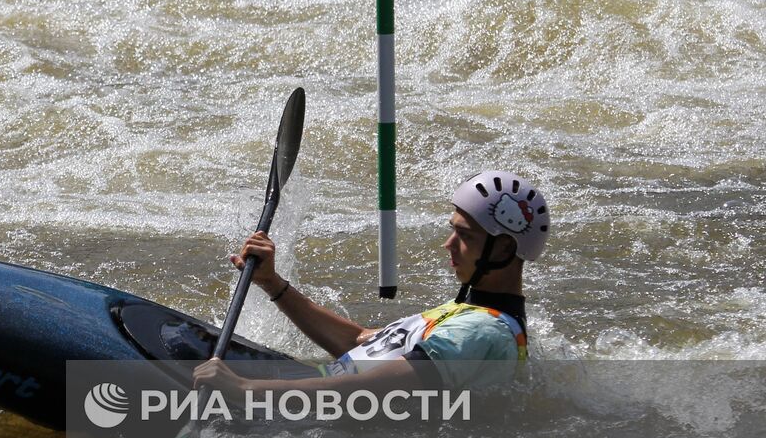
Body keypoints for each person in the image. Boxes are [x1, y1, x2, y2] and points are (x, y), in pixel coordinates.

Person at [193, 170, 549, 398]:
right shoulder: (466, 314)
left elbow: (364, 391)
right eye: (452, 229)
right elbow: (357, 342)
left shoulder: (481, 334)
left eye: (464, 235)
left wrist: (245, 389)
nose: (448, 244)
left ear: (502, 248)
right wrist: (273, 284)